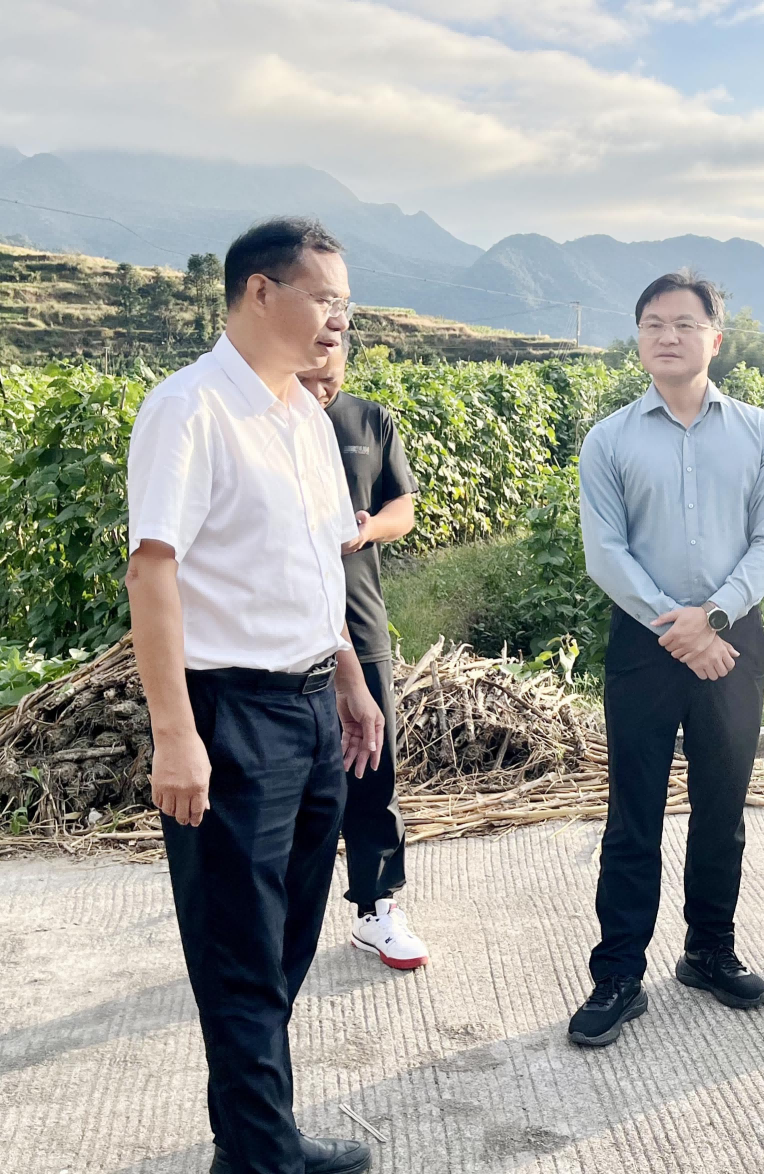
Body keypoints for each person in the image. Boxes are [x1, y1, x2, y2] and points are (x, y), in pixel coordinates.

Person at [126, 218, 384, 1174]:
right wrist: (175, 735)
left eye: (345, 304)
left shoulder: (305, 418)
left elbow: (313, 567)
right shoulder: (189, 411)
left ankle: (252, 1141)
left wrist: (349, 678)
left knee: (286, 942)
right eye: (324, 300)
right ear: (260, 292)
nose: (338, 320)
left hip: (312, 709)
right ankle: (265, 1158)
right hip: (230, 713)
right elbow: (153, 572)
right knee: (239, 953)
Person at [569, 270, 764, 1047]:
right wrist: (680, 627)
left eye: (685, 324)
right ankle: (617, 973)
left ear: (715, 339)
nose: (668, 336)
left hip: (733, 639)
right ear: (639, 338)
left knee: (722, 810)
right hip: (645, 642)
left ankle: (709, 950)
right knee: (633, 813)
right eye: (654, 324)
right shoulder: (610, 440)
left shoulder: (761, 434)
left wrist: (714, 617)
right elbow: (605, 552)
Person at [298, 337, 428, 970]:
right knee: (293, 775)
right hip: (286, 628)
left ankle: (377, 908)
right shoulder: (262, 420)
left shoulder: (369, 420)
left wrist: (367, 528)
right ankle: (281, 913)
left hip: (360, 616)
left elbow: (402, 507)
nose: (325, 356)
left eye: (336, 342)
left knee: (373, 768)